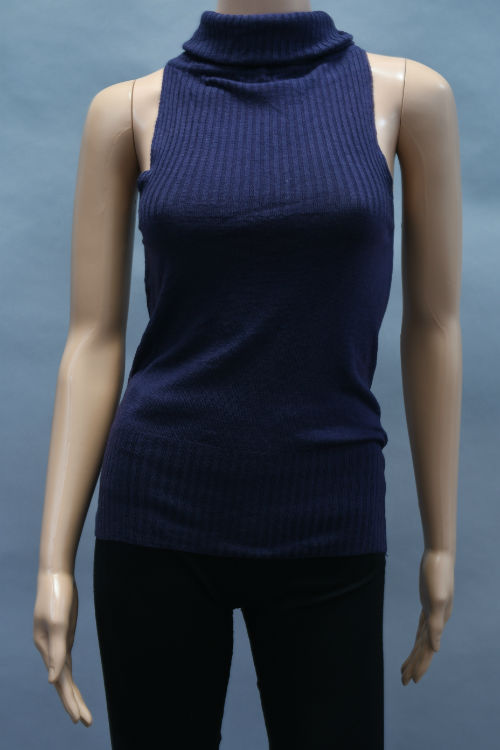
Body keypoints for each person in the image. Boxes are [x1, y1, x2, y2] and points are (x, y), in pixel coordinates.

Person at [33, 2, 462, 748]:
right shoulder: (128, 109)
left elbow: (434, 326)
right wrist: (53, 562)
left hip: (330, 511)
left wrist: (441, 543)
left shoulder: (406, 95)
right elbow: (93, 339)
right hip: (157, 514)